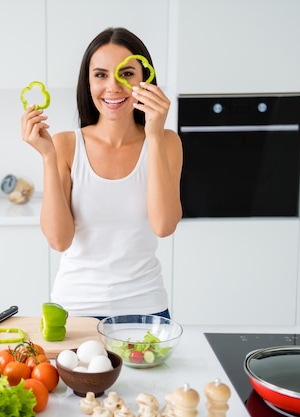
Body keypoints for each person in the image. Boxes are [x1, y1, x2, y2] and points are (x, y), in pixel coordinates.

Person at [20, 27, 183, 318]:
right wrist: (48, 156)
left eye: (127, 73)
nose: (113, 87)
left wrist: (154, 135)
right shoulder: (66, 145)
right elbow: (59, 240)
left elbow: (164, 226)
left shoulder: (167, 142)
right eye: (100, 75)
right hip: (74, 311)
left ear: (145, 79)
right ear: (88, 82)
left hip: (146, 309)